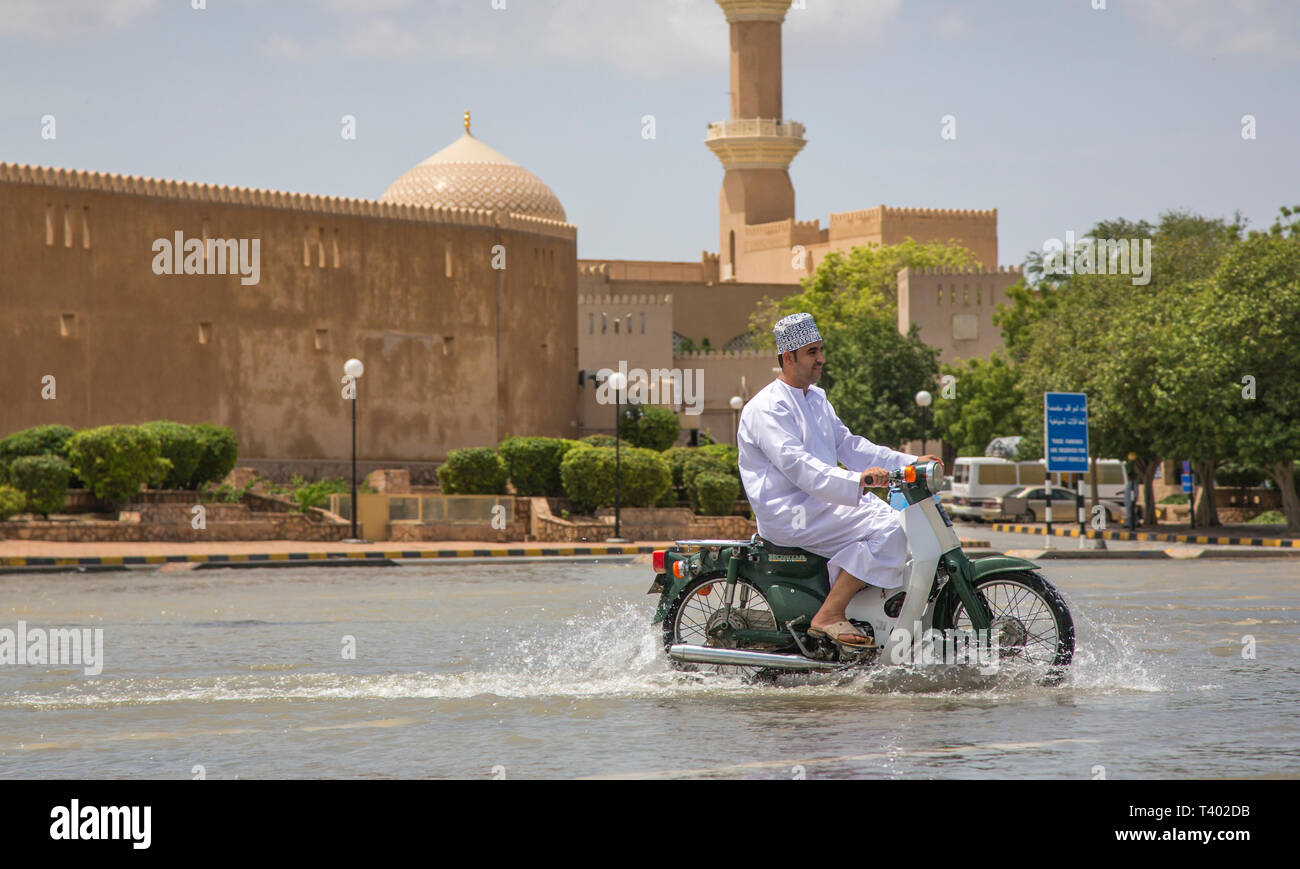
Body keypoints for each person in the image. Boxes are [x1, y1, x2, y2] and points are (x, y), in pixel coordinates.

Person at [736, 312, 941, 648]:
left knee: (898, 526)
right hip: (790, 512)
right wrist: (857, 480)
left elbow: (850, 446)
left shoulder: (816, 398)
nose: (821, 359)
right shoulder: (766, 409)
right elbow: (798, 465)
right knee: (892, 528)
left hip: (822, 501)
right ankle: (830, 613)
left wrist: (910, 462)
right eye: (812, 352)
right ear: (788, 358)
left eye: (821, 350)